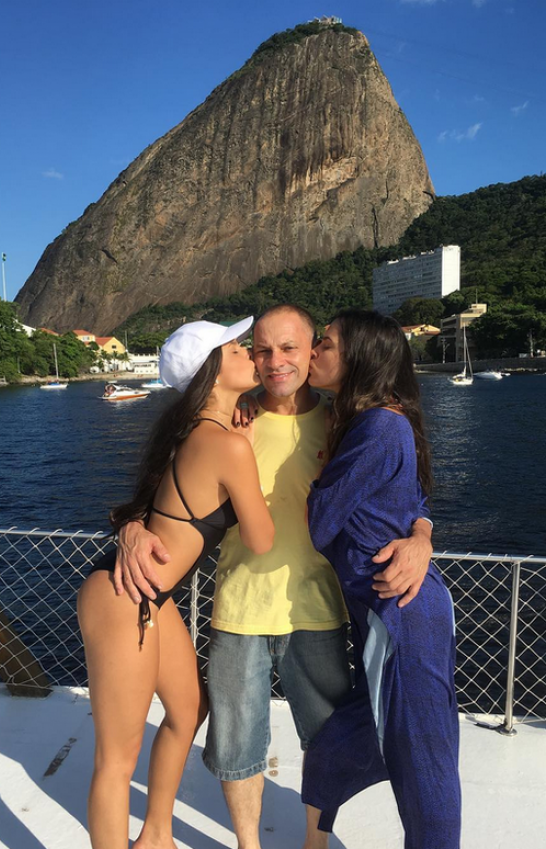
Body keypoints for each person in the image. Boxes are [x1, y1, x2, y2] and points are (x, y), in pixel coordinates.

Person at [115, 304, 434, 849]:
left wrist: (422, 536)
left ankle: (314, 843)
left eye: (289, 348)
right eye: (261, 349)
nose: (274, 361)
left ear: (314, 351)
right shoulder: (226, 421)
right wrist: (130, 528)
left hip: (319, 609)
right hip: (239, 608)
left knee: (326, 741)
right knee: (236, 748)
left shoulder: (346, 422)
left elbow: (410, 489)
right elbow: (158, 490)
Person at [77, 316, 274, 849]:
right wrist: (249, 457)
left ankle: (157, 836)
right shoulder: (227, 445)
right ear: (213, 370)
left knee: (189, 712)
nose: (249, 354)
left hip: (148, 593)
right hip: (124, 596)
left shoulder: (194, 434)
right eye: (236, 348)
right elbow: (260, 539)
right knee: (116, 759)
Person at [301, 309, 461, 849]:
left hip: (400, 619)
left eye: (325, 343)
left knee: (426, 771)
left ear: (359, 358)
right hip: (388, 615)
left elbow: (321, 523)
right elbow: (417, 500)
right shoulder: (374, 420)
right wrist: (422, 531)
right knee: (334, 749)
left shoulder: (378, 426)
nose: (315, 352)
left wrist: (318, 472)